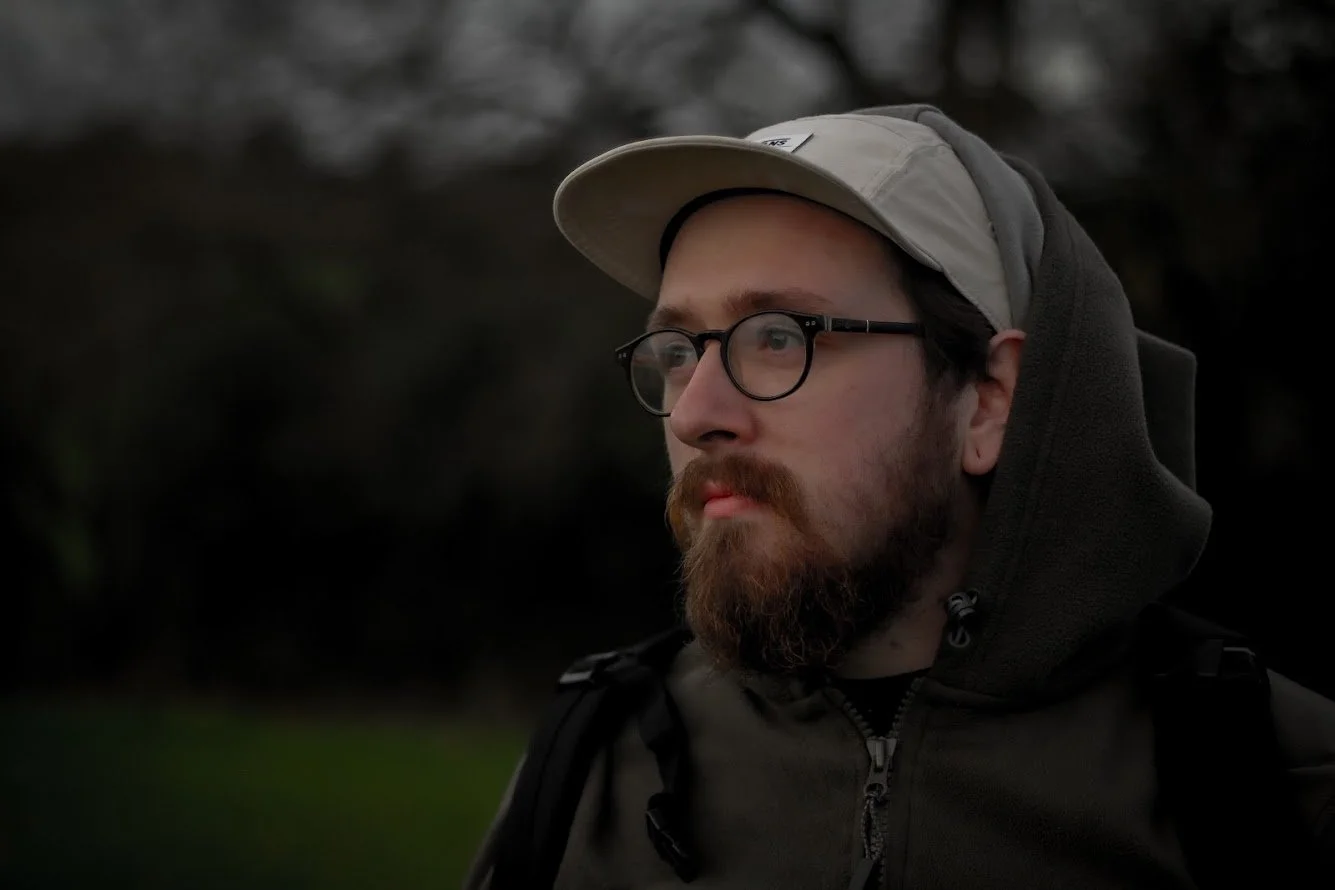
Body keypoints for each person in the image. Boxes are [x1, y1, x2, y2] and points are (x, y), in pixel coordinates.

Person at [463, 105, 1335, 888]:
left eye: (779, 337)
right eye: (679, 347)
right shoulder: (591, 773)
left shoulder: (1266, 785)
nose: (695, 414)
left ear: (990, 399)